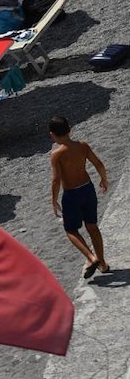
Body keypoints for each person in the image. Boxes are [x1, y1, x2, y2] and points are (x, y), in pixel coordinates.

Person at [49, 116, 110, 279]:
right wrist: (103, 179)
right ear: (70, 129)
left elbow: (56, 180)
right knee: (92, 226)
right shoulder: (82, 146)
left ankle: (91, 258)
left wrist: (54, 200)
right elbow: (98, 164)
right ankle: (103, 264)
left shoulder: (57, 154)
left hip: (72, 194)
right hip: (88, 189)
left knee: (70, 230)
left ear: (52, 135)